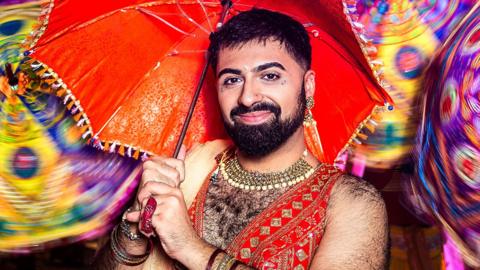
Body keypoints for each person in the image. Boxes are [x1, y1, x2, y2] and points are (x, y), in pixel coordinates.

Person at [93, 8, 388, 270]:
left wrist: (190, 248)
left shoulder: (352, 203)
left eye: (270, 76)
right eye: (231, 80)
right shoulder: (189, 172)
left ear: (307, 86)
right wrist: (135, 225)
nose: (247, 97)